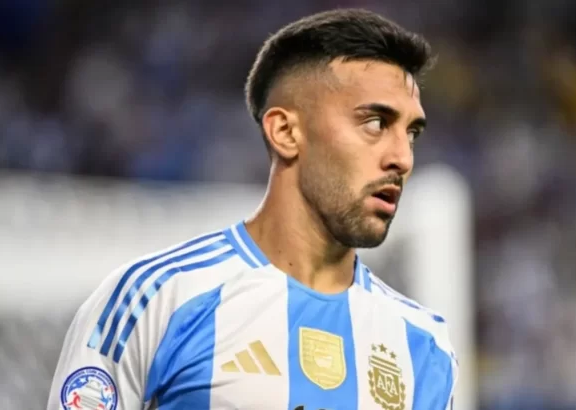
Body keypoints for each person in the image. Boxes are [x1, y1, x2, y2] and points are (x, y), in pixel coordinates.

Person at [48, 8, 458, 410]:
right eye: (375, 123)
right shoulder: (156, 299)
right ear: (285, 132)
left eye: (412, 133)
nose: (403, 158)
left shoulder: (425, 346)